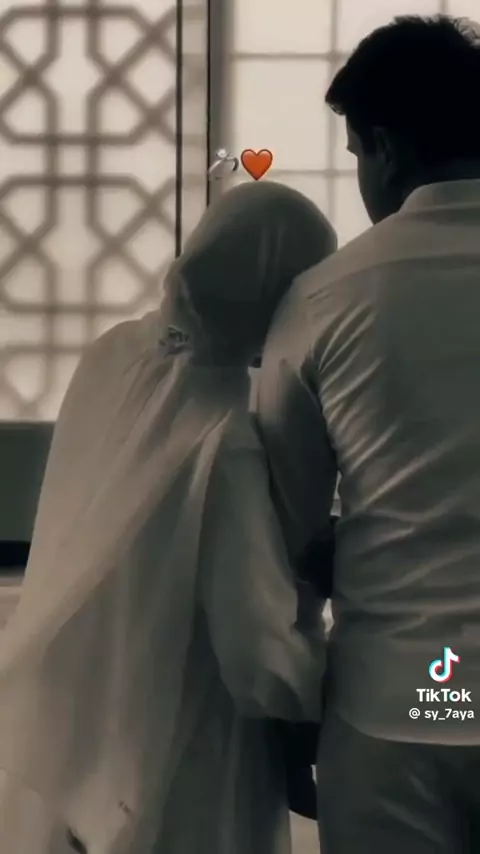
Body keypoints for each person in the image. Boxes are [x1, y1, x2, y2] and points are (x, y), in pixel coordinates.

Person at [0, 181, 336, 854]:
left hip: (88, 710)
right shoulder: (225, 433)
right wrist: (330, 674)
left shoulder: (114, 353)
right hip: (191, 741)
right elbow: (256, 654)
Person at [257, 14, 480, 854]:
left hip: (399, 706)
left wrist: (288, 704)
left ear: (383, 145)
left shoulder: (325, 298)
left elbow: (284, 530)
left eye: (355, 154)